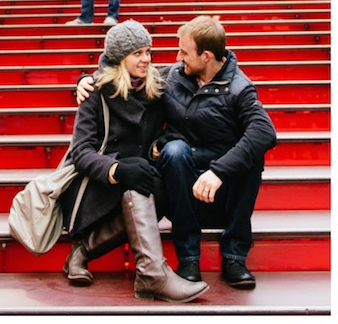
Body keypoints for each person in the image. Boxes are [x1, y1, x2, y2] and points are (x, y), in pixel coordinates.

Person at [78, 15, 277, 290]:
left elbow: (264, 132)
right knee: (174, 150)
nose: (177, 57)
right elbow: (121, 71)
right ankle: (189, 259)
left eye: (183, 52)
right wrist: (86, 80)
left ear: (206, 56)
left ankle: (234, 256)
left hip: (222, 186)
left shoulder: (239, 89)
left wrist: (219, 171)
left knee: (251, 156)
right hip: (180, 180)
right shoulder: (174, 75)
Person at [63, 20, 207, 302]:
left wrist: (157, 147)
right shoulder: (97, 90)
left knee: (149, 182)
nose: (146, 59)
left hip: (140, 178)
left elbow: (198, 65)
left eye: (148, 51)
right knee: (138, 181)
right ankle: (149, 274)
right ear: (120, 58)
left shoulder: (157, 84)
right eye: (137, 53)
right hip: (98, 184)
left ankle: (88, 252)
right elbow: (80, 152)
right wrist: (117, 169)